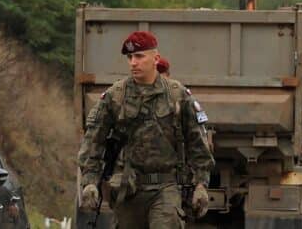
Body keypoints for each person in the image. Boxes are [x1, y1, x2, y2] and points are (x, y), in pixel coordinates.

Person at [78, 31, 215, 228]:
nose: (133, 62)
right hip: (128, 189)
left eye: (139, 56)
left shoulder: (177, 95)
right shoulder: (115, 96)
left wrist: (201, 184)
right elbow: (94, 141)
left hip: (165, 188)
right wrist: (90, 182)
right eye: (130, 57)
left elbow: (198, 143)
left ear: (155, 59)